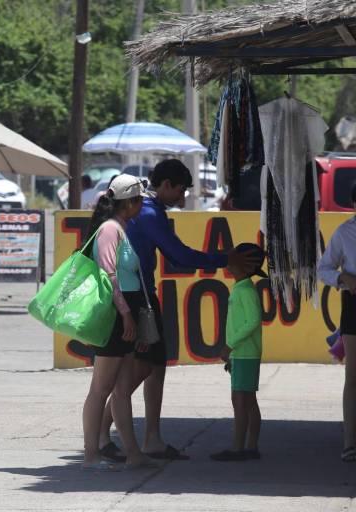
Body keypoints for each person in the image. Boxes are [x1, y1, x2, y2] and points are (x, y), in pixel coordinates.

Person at [99, 159, 257, 461]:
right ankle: (103, 433)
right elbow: (179, 255)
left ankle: (152, 438)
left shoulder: (149, 210)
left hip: (145, 295)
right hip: (138, 298)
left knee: (156, 367)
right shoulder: (147, 213)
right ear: (166, 185)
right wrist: (226, 258)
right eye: (181, 191)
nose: (183, 198)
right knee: (140, 369)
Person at [81, 174, 157, 470]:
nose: (142, 205)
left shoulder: (120, 227)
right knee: (101, 388)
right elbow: (109, 274)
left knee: (122, 389)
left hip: (126, 314)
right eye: (140, 200)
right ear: (131, 202)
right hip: (116, 315)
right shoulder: (110, 229)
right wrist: (125, 313)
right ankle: (90, 455)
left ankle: (133, 453)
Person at [211, 243, 265, 461]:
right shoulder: (242, 287)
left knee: (240, 400)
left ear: (245, 267)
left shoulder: (246, 290)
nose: (229, 265)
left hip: (244, 353)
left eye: (233, 261)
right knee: (247, 400)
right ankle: (250, 447)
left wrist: (230, 345)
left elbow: (253, 320)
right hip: (242, 354)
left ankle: (238, 448)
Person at [317, 183, 356, 462]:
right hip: (354, 306)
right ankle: (350, 442)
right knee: (353, 376)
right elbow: (324, 269)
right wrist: (343, 279)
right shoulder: (344, 232)